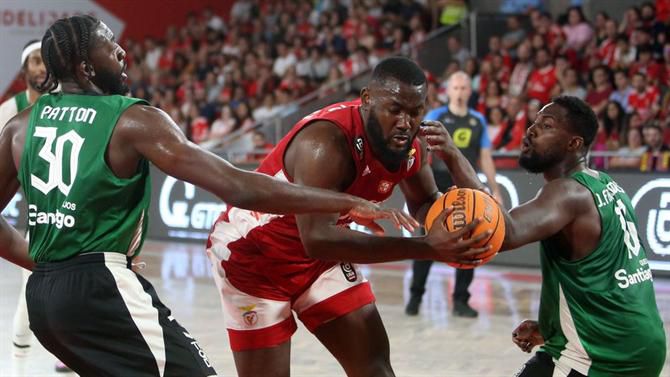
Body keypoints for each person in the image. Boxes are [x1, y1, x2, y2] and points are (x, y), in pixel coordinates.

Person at [0, 16, 416, 376]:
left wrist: (42, 260)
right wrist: (342, 201)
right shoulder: (131, 118)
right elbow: (237, 185)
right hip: (102, 287)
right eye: (111, 46)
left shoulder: (21, 125)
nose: (123, 52)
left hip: (44, 298)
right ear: (87, 66)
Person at [206, 56, 490, 377]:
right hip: (253, 257)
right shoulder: (325, 142)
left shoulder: (413, 145)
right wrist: (427, 247)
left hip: (319, 259)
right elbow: (318, 240)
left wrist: (454, 214)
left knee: (375, 369)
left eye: (415, 112)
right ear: (367, 99)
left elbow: (426, 203)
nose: (405, 123)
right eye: (394, 109)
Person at [424, 95, 666, 376]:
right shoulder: (605, 184)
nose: (531, 129)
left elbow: (502, 232)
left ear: (574, 144)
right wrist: (551, 327)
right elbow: (605, 276)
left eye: (546, 125)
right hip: (638, 339)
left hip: (603, 352)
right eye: (534, 122)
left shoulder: (567, 193)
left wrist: (453, 155)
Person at [0, 39, 72, 374]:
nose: (41, 67)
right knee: (33, 287)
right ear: (24, 68)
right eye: (34, 61)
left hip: (70, 206)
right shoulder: (8, 112)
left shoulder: (67, 105)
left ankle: (71, 352)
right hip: (37, 211)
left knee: (75, 287)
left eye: (46, 61)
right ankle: (17, 367)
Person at [406, 71, 502, 318]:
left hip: (467, 183)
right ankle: (415, 297)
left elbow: (485, 157)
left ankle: (461, 300)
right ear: (448, 91)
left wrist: (495, 188)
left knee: (472, 240)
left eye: (464, 88)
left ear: (470, 91)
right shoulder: (436, 116)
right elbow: (422, 153)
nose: (459, 92)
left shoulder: (478, 120)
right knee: (428, 241)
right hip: (437, 183)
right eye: (456, 87)